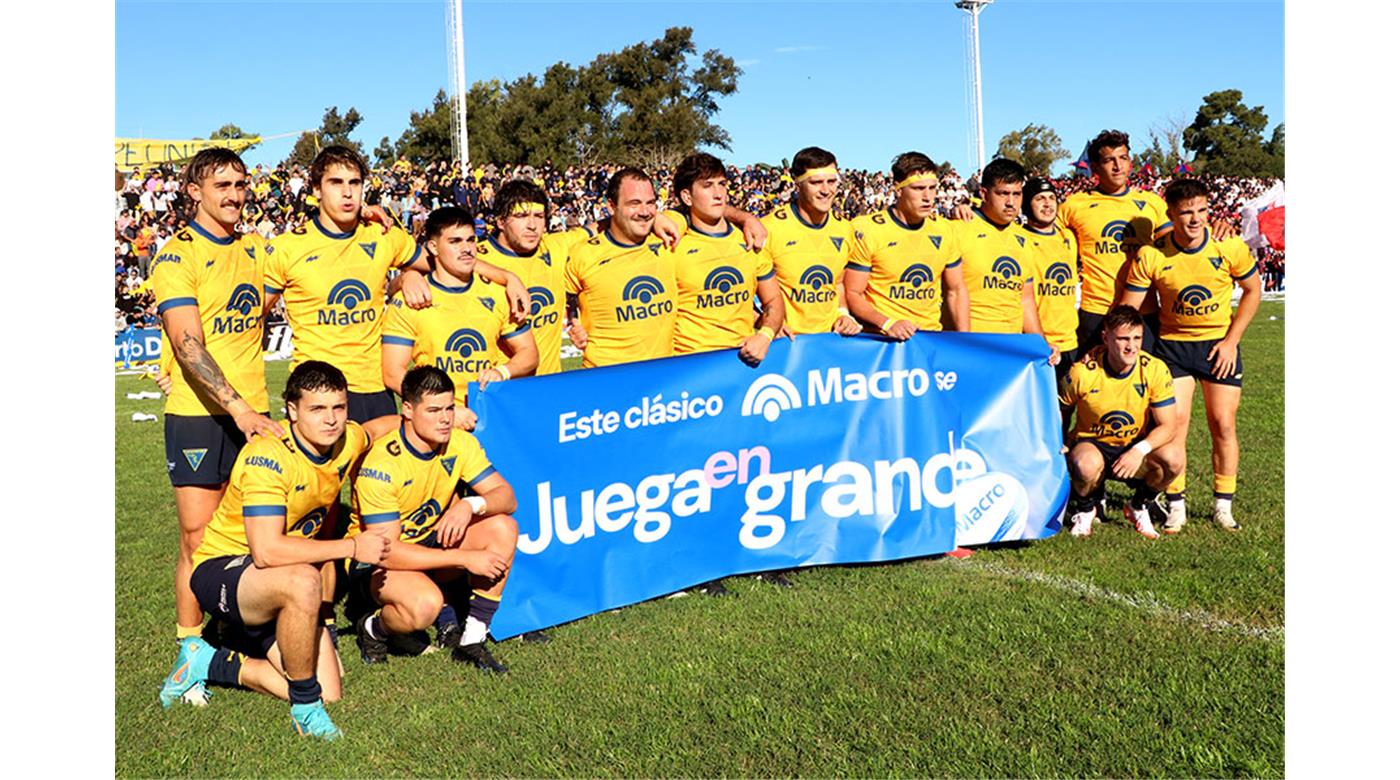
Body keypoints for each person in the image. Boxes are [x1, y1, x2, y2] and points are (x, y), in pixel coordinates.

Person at [159, 362, 396, 740]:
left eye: (339, 407)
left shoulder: (345, 438)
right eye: (317, 409)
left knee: (331, 691)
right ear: (292, 410)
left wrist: (432, 421)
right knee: (305, 577)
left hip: (272, 580)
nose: (331, 420)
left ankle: (207, 661)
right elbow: (267, 551)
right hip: (223, 569)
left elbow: (376, 429)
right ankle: (305, 709)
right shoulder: (267, 456)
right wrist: (353, 545)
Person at [263, 145, 528, 424]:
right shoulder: (286, 248)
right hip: (317, 393)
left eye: (354, 183)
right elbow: (255, 319)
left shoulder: (384, 235)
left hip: (376, 388)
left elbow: (447, 258)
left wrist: (507, 277)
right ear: (316, 189)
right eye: (336, 183)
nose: (347, 192)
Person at [152, 148, 282, 699]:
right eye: (221, 184)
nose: (233, 194)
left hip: (254, 412)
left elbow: (293, 281)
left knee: (251, 535)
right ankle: (190, 653)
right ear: (194, 192)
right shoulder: (175, 255)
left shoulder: (255, 249)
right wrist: (239, 408)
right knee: (197, 539)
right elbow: (188, 343)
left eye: (240, 183)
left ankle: (237, 628)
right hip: (202, 418)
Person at [347, 366, 520, 671]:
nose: (445, 418)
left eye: (450, 408)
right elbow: (386, 551)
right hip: (380, 560)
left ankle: (472, 640)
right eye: (434, 410)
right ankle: (374, 629)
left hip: (431, 542)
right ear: (408, 410)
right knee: (423, 606)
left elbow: (507, 497)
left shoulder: (459, 443)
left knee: (503, 527)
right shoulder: (383, 464)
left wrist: (470, 504)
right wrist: (464, 558)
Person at [1119, 178, 1262, 532]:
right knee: (1175, 427)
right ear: (1170, 214)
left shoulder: (1228, 245)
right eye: (1186, 213)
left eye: (1201, 210)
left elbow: (1253, 290)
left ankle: (1222, 506)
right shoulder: (1152, 254)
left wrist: (1231, 342)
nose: (1195, 219)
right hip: (1173, 349)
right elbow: (1128, 309)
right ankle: (1176, 505)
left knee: (1223, 424)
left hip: (1218, 346)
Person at [381, 207, 538, 430]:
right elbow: (392, 372)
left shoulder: (498, 294)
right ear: (433, 247)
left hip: (491, 416)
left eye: (471, 240)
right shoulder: (410, 300)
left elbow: (529, 353)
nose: (466, 249)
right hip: (436, 427)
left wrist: (502, 372)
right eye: (455, 241)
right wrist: (443, 410)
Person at [1058, 306, 1184, 539]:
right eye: (1123, 339)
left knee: (1174, 459)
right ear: (1106, 338)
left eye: (1137, 338)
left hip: (1134, 445)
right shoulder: (1082, 372)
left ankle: (1138, 505)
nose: (1131, 346)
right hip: (1093, 444)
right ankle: (1086, 508)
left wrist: (1139, 450)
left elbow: (1169, 425)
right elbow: (1061, 410)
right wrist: (1061, 441)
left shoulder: (1154, 369)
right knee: (1085, 463)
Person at [666, 152, 786, 367]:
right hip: (689, 365)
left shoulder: (749, 240)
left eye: (722, 184)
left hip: (741, 361)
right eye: (707, 186)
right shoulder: (672, 245)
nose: (718, 193)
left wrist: (765, 334)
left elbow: (773, 300)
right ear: (686, 197)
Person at [1057, 130, 1171, 352]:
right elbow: (1040, 237)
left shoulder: (1151, 203)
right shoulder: (1074, 205)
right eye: (1109, 160)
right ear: (1096, 167)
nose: (1118, 166)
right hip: (1097, 310)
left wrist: (1217, 228)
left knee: (1143, 382)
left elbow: (1179, 242)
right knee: (1096, 382)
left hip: (1144, 311)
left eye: (1123, 158)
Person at [472, 180, 594, 375]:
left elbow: (611, 227)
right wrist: (408, 277)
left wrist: (654, 219)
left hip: (548, 389)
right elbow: (433, 258)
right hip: (500, 390)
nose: (532, 225)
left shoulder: (555, 247)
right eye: (521, 216)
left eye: (538, 216)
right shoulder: (477, 256)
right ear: (500, 221)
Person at [844, 151, 969, 339]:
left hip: (930, 338)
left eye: (933, 188)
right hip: (882, 340)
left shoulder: (945, 230)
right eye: (918, 189)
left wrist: (966, 341)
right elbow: (852, 293)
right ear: (898, 189)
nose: (928, 197)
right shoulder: (867, 229)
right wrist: (887, 323)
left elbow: (956, 290)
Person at [944, 158, 1058, 364]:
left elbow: (1026, 300)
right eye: (1003, 193)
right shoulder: (957, 229)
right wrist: (963, 344)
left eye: (1016, 194)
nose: (1010, 202)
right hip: (971, 348)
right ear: (984, 194)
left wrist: (1041, 343)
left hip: (1011, 351)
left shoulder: (1023, 238)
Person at [563, 167, 679, 367]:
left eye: (650, 203)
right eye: (634, 203)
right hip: (607, 382)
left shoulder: (669, 240)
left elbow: (707, 212)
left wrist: (746, 218)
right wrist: (573, 323)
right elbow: (566, 296)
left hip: (664, 382)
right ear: (611, 206)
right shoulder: (581, 254)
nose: (644, 212)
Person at [760, 146, 862, 337]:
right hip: (786, 346)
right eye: (816, 182)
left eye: (831, 182)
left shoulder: (845, 229)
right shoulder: (769, 228)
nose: (826, 190)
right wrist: (769, 323)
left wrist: (843, 314)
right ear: (797, 185)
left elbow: (838, 284)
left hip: (829, 342)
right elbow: (748, 292)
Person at [1021, 177, 1080, 380]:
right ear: (1027, 205)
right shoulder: (1018, 239)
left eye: (1051, 197)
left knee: (1067, 408)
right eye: (1040, 198)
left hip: (1070, 341)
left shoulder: (1069, 238)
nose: (1047, 204)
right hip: (1037, 341)